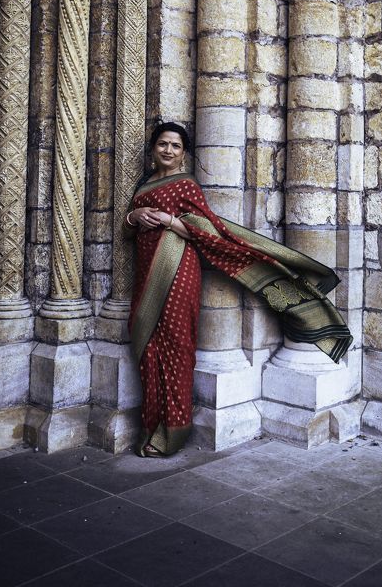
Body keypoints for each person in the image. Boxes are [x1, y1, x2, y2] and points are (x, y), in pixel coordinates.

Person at [125, 120, 353, 457]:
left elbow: (205, 231)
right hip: (146, 274)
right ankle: (150, 426)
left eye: (175, 145)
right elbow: (126, 228)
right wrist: (136, 215)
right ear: (153, 149)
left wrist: (170, 221)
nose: (168, 150)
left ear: (183, 153)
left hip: (177, 271)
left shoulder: (186, 186)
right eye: (163, 144)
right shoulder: (144, 186)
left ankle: (171, 432)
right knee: (147, 344)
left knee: (176, 343)